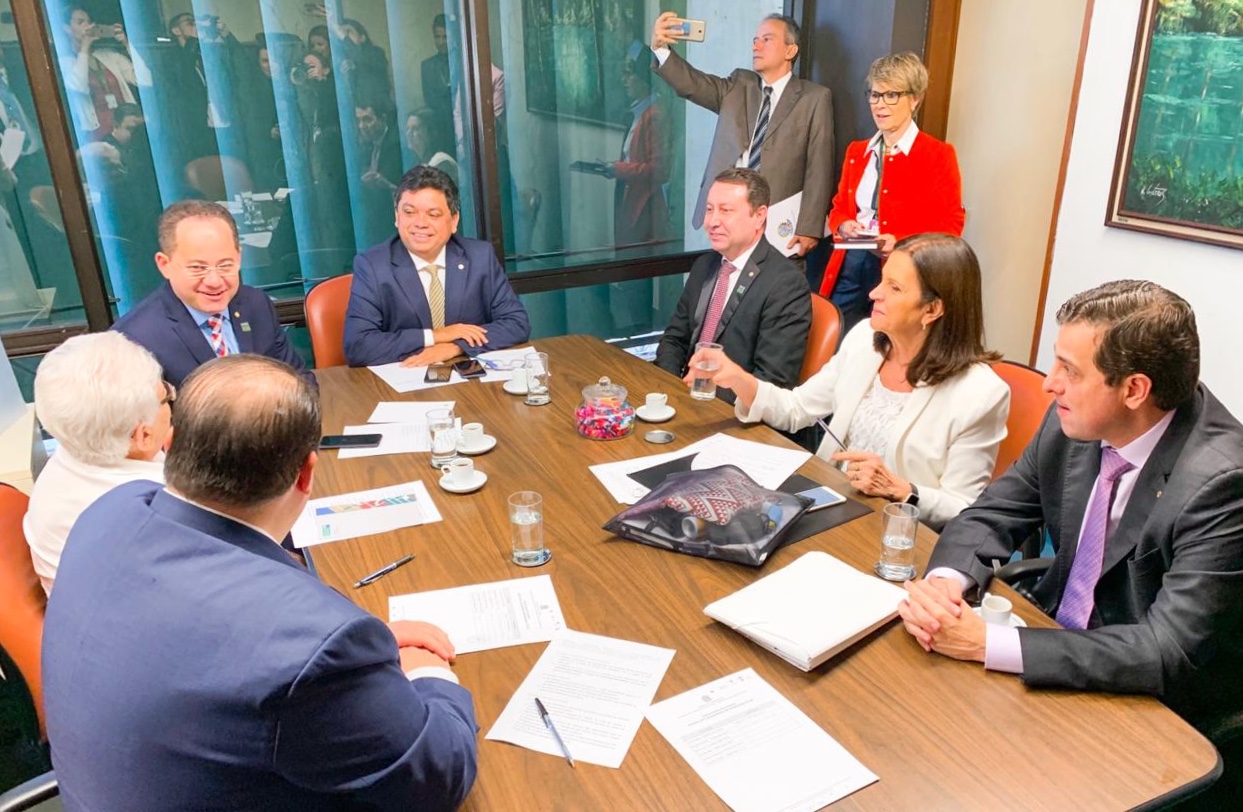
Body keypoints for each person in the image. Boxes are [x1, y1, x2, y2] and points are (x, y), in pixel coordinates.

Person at [43, 354, 479, 809]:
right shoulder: (313, 648)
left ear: (168, 446)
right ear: (307, 473)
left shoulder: (111, 511)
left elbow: (215, 649)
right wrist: (425, 668)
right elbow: (439, 775)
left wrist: (369, 653)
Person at [900, 280, 1243, 739]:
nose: (1050, 384)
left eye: (1070, 370)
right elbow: (993, 512)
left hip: (1153, 707)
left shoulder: (1222, 483)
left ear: (1135, 390)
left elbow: (1167, 649)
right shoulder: (1075, 421)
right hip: (1052, 641)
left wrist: (989, 644)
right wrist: (945, 587)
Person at [689, 233, 1007, 531]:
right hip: (831, 506)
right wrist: (738, 378)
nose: (874, 293)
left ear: (932, 309)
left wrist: (901, 489)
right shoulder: (864, 339)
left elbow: (963, 508)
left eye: (894, 288)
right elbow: (796, 408)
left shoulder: (981, 394)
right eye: (882, 280)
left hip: (897, 534)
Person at [650, 11, 833, 261]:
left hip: (778, 223)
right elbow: (692, 84)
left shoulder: (814, 98)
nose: (756, 46)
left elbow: (819, 168)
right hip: (729, 216)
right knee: (727, 279)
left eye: (767, 39)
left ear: (790, 50)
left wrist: (809, 227)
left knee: (775, 282)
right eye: (755, 40)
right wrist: (661, 49)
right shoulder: (738, 85)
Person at [820, 52, 965, 334]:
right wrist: (843, 224)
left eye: (892, 95)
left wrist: (900, 242)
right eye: (875, 95)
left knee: (887, 343)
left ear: (915, 99)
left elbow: (951, 226)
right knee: (837, 341)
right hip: (850, 263)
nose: (880, 104)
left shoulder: (937, 154)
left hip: (901, 271)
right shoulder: (857, 151)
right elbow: (838, 208)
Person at [24, 332, 170, 595]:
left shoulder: (76, 446)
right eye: (166, 395)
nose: (171, 398)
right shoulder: (156, 508)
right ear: (143, 435)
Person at [344, 165, 530, 367]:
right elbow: (358, 346)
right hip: (406, 377)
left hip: (468, 378)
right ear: (397, 216)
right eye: (409, 212)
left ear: (454, 220)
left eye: (433, 214)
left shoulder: (479, 257)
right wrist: (436, 336)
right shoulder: (373, 266)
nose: (420, 223)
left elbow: (516, 323)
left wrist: (456, 346)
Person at [112, 200, 311, 386]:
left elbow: (298, 381)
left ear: (239, 258)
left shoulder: (256, 304)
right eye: (198, 268)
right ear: (164, 265)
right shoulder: (135, 340)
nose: (214, 282)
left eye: (225, 265)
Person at [655, 168, 810, 405]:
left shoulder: (786, 284)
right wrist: (670, 389)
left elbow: (772, 381)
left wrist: (702, 398)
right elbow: (674, 340)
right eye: (709, 209)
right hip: (682, 398)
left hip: (733, 411)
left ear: (759, 216)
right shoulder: (704, 265)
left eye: (725, 211)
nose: (711, 222)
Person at [59, 6, 152, 141]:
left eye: (89, 22)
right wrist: (84, 47)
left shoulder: (108, 55)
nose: (88, 26)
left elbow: (145, 80)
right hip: (97, 129)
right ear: (67, 29)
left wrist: (126, 44)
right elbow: (78, 86)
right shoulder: (65, 62)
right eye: (80, 22)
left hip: (127, 125)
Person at [606, 53, 670, 247]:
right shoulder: (639, 111)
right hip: (631, 194)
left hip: (645, 203)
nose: (624, 80)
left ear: (643, 77)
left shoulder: (655, 115)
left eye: (629, 73)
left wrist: (619, 169)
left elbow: (659, 169)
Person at [420, 14, 451, 122]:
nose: (441, 42)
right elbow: (429, 101)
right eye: (437, 37)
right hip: (438, 125)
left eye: (445, 37)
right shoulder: (426, 66)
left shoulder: (462, 63)